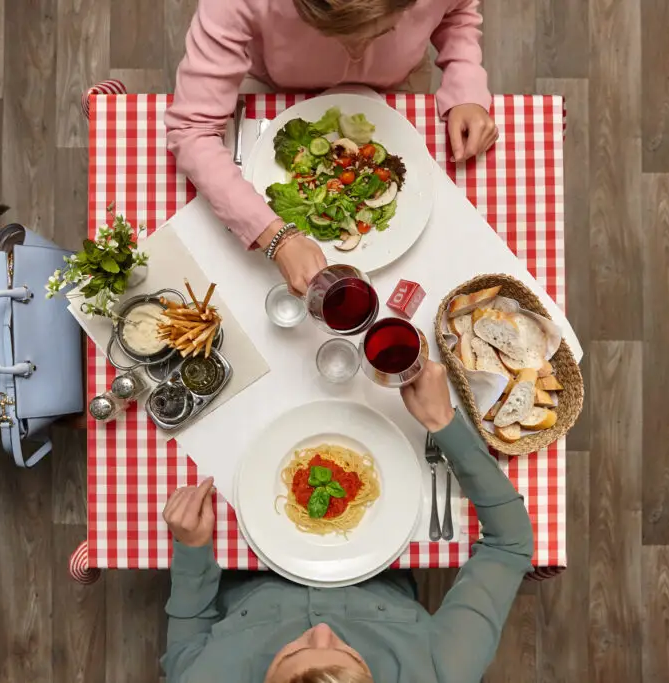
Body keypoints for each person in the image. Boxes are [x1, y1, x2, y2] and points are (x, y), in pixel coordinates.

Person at [160, 361, 534, 682]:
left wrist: (192, 550)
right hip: (386, 556)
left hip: (241, 560)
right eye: (351, 653)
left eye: (293, 653)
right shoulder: (441, 672)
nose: (321, 631)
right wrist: (444, 422)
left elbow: (188, 639)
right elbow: (509, 544)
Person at [165, 0, 500, 295]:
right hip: (274, 87)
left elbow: (457, 14)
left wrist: (465, 84)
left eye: (383, 30)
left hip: (399, 83)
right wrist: (276, 237)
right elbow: (192, 130)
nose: (358, 48)